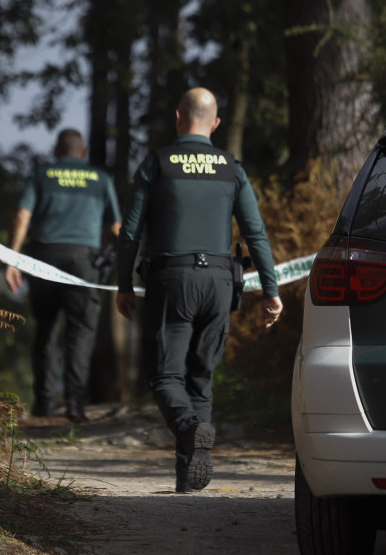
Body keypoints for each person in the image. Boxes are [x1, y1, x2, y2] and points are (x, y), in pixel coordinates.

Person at [115, 87, 284, 493]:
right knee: (200, 378)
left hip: (172, 280)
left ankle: (191, 429)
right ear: (216, 123)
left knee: (164, 376)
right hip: (221, 282)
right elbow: (255, 233)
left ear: (178, 117)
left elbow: (131, 233)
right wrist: (271, 289)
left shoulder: (157, 163)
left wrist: (123, 284)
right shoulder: (231, 167)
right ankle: (189, 477)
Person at [5, 129, 121, 423]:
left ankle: (44, 404)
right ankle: (74, 405)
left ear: (57, 151)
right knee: (80, 332)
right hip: (84, 260)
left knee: (45, 328)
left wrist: (12, 259)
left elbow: (21, 217)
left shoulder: (41, 174)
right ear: (83, 152)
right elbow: (117, 229)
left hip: (44, 258)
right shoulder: (101, 179)